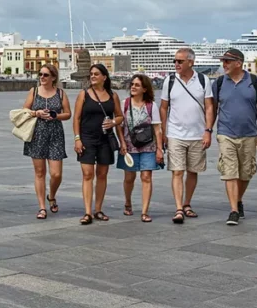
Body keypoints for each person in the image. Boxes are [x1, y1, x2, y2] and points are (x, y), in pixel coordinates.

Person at [210, 48, 257, 226]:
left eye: (227, 61)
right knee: (230, 172)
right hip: (225, 133)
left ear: (239, 63)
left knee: (245, 173)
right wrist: (208, 130)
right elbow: (212, 109)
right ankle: (233, 210)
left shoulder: (253, 81)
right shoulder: (219, 83)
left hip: (250, 134)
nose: (224, 64)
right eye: (223, 61)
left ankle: (238, 200)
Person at [160, 48, 215, 224]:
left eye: (180, 61)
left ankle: (187, 203)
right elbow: (163, 107)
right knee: (177, 171)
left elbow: (209, 107)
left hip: (197, 134)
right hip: (175, 133)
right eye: (175, 61)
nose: (176, 64)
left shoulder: (202, 80)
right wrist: (163, 132)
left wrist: (208, 131)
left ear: (190, 62)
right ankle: (178, 208)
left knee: (193, 171)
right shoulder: (169, 81)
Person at [72, 64, 124, 225]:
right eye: (91, 74)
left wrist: (113, 122)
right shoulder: (84, 94)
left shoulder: (112, 95)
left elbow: (120, 116)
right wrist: (77, 138)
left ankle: (98, 209)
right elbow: (77, 118)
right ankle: (87, 212)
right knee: (88, 174)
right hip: (87, 138)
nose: (93, 76)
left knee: (102, 174)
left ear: (104, 77)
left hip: (105, 139)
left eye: (96, 74)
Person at [22, 63, 71, 219]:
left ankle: (52, 195)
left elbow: (68, 114)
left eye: (45, 75)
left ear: (53, 77)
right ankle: (42, 207)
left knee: (56, 174)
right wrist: (37, 113)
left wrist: (55, 115)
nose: (42, 77)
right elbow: (24, 110)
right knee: (40, 172)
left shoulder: (61, 93)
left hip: (55, 134)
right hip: (37, 133)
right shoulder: (34, 91)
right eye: (40, 74)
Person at [118, 74, 163, 223]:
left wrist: (159, 149)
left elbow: (157, 129)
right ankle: (128, 201)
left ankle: (144, 211)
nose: (133, 87)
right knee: (129, 177)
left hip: (148, 146)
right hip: (129, 146)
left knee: (146, 177)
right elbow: (120, 126)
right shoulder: (124, 104)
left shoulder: (151, 106)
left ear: (144, 88)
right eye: (132, 84)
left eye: (137, 85)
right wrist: (122, 143)